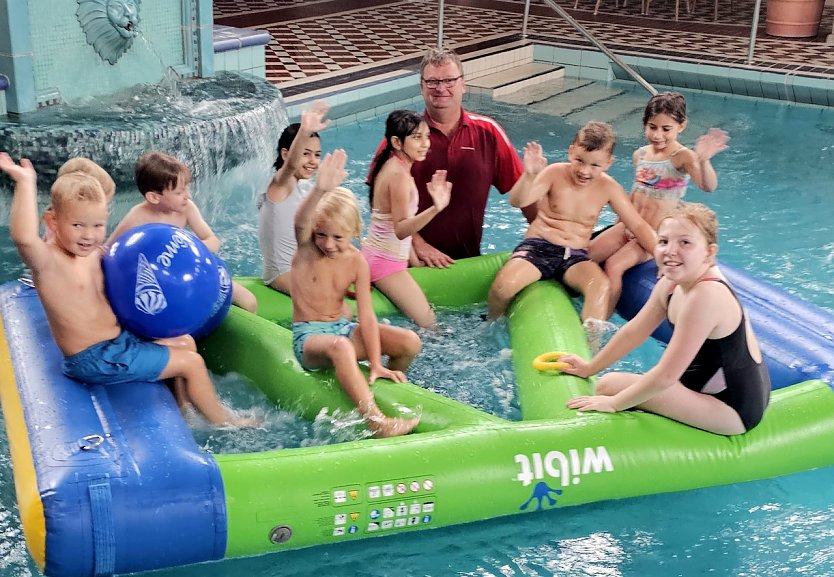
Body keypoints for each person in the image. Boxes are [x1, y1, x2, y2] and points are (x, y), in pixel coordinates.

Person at [0, 152, 252, 427]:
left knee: (186, 342)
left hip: (117, 343)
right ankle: (225, 422)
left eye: (98, 226)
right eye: (77, 226)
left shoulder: (93, 253)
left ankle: (183, 407)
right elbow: (24, 238)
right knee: (192, 363)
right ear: (52, 222)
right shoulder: (50, 263)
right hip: (95, 357)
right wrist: (26, 182)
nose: (89, 235)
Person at [562, 203, 770, 435]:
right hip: (699, 387)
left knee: (609, 388)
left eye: (685, 242)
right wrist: (590, 367)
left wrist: (614, 404)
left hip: (731, 408)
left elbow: (666, 376)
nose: (671, 251)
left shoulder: (706, 295)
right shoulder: (670, 284)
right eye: (663, 241)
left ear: (709, 253)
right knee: (608, 384)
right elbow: (634, 332)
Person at [486, 121, 656, 349]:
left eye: (595, 165)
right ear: (571, 151)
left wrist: (663, 258)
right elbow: (518, 201)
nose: (585, 171)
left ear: (608, 163)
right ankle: (492, 328)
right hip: (540, 247)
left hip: (575, 256)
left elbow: (637, 225)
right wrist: (528, 175)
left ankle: (589, 351)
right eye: (580, 161)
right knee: (502, 286)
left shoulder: (609, 188)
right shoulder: (553, 173)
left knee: (600, 287)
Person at [292, 149, 421, 438]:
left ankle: (386, 388)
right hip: (309, 338)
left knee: (409, 341)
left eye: (338, 237)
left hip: (344, 330)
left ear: (354, 230)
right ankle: (376, 422)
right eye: (321, 234)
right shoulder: (307, 250)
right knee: (342, 347)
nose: (328, 243)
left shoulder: (357, 262)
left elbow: (366, 315)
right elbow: (301, 223)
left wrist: (376, 362)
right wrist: (319, 190)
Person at [376, 47, 535, 267]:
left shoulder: (488, 133)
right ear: (422, 87)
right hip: (413, 260)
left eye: (449, 80)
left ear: (463, 84)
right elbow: (378, 198)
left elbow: (523, 193)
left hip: (467, 260)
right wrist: (418, 244)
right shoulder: (401, 136)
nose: (441, 88)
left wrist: (543, 239)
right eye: (432, 82)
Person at [589, 92, 729, 318]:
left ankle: (599, 323)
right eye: (652, 127)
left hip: (652, 235)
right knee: (585, 256)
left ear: (681, 126)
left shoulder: (681, 156)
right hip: (628, 226)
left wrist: (703, 160)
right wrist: (617, 226)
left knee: (614, 266)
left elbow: (707, 186)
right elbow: (635, 194)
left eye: (666, 129)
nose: (658, 135)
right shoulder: (640, 154)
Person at [108, 151, 258, 314]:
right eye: (179, 192)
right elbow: (109, 251)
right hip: (162, 283)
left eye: (186, 188)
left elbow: (213, 240)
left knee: (249, 301)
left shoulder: (186, 208)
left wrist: (187, 253)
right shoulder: (137, 217)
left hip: (191, 271)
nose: (188, 195)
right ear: (154, 197)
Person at [363, 110, 452, 328]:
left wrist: (413, 261)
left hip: (382, 256)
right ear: (396, 142)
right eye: (416, 137)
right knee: (431, 325)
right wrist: (436, 208)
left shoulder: (395, 167)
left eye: (427, 136)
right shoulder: (398, 176)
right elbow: (401, 229)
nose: (425, 144)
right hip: (384, 264)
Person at [258, 100, 327, 295]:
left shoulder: (297, 189)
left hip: (299, 268)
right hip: (283, 274)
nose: (313, 161)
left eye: (317, 154)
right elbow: (289, 166)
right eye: (306, 154)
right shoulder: (280, 185)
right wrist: (305, 131)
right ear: (285, 154)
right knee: (340, 311)